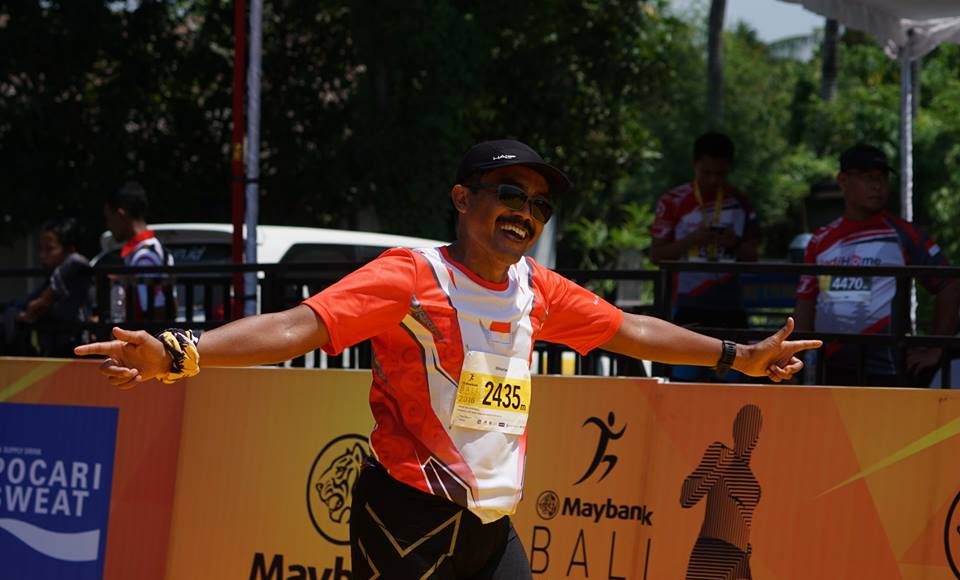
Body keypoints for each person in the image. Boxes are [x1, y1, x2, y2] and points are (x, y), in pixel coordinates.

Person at [75, 139, 820, 579]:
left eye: (539, 204)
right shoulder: (409, 277)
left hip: (491, 524)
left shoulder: (537, 289)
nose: (525, 212)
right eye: (509, 193)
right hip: (407, 514)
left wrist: (737, 355)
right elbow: (297, 327)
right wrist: (181, 351)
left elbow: (631, 330)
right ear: (463, 198)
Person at [794, 143, 960, 387]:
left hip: (888, 370)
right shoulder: (820, 239)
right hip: (830, 368)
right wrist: (794, 359)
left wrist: (935, 348)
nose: (878, 186)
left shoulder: (904, 233)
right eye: (868, 178)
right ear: (842, 180)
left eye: (882, 178)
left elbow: (950, 284)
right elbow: (806, 303)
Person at [650, 132, 760, 382]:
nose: (713, 180)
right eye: (706, 173)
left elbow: (753, 257)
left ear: (729, 168)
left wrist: (734, 243)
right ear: (695, 164)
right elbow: (656, 254)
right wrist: (691, 240)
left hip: (729, 305)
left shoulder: (741, 203)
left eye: (720, 174)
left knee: (731, 381)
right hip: (685, 304)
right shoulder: (673, 201)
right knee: (684, 380)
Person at [680, 404, 762, 580]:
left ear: (757, 437)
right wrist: (716, 469)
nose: (748, 435)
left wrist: (746, 551)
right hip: (712, 549)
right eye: (743, 426)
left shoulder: (753, 484)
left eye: (753, 430)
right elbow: (686, 498)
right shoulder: (720, 453)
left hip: (739, 555)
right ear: (735, 429)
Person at [1, 217, 92, 357]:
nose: (42, 255)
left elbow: (76, 261)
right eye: (41, 249)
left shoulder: (75, 267)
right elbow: (27, 304)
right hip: (52, 350)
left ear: (69, 250)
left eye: (50, 249)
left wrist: (44, 299)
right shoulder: (49, 280)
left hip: (75, 348)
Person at [103, 180, 175, 321]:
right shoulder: (149, 249)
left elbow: (156, 310)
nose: (108, 225)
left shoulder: (145, 256)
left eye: (109, 218)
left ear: (121, 215)